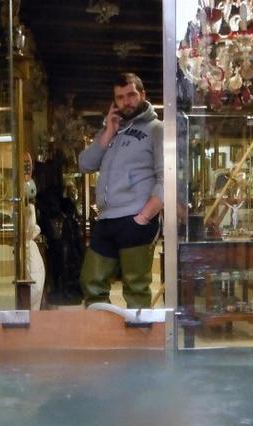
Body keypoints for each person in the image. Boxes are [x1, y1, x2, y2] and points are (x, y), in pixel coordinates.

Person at [78, 73, 163, 309]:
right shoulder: (112, 131)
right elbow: (85, 164)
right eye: (120, 97)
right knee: (91, 282)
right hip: (106, 218)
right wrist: (108, 131)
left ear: (143, 95)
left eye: (131, 95)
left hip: (136, 218)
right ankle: (103, 331)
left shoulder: (157, 130)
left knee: (136, 288)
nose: (126, 102)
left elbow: (166, 178)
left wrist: (145, 216)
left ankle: (140, 333)